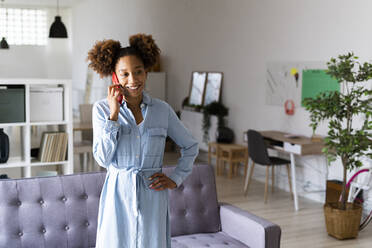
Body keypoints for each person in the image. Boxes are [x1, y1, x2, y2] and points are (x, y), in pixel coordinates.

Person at [87, 33, 199, 248]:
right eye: (125, 73)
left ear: (146, 72)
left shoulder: (162, 110)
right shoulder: (101, 109)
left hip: (153, 195)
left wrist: (175, 178)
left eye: (138, 72)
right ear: (115, 77)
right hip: (117, 194)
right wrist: (114, 114)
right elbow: (102, 159)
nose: (133, 80)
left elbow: (190, 146)